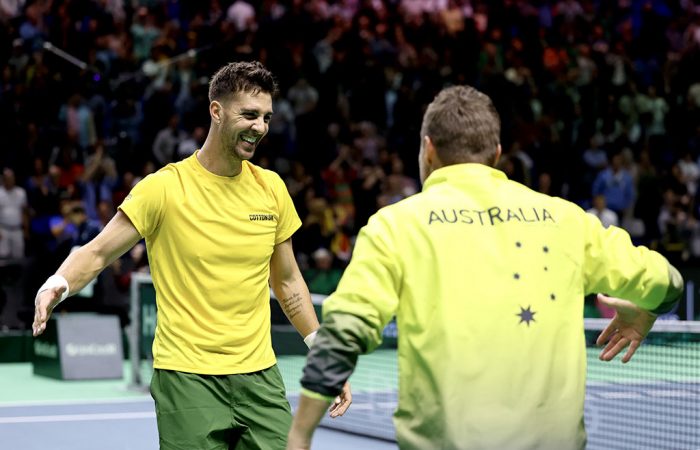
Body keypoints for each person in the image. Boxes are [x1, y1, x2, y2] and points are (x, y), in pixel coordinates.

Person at [286, 85, 683, 450]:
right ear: (496, 152)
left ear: (427, 149)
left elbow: (341, 336)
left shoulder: (396, 226)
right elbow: (671, 283)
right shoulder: (568, 221)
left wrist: (301, 433)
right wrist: (648, 311)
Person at [33, 61, 351, 450]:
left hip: (260, 376)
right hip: (187, 378)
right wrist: (57, 284)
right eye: (249, 114)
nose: (260, 126)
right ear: (216, 111)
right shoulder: (163, 188)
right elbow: (98, 252)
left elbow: (285, 281)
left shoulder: (272, 188)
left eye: (266, 117)